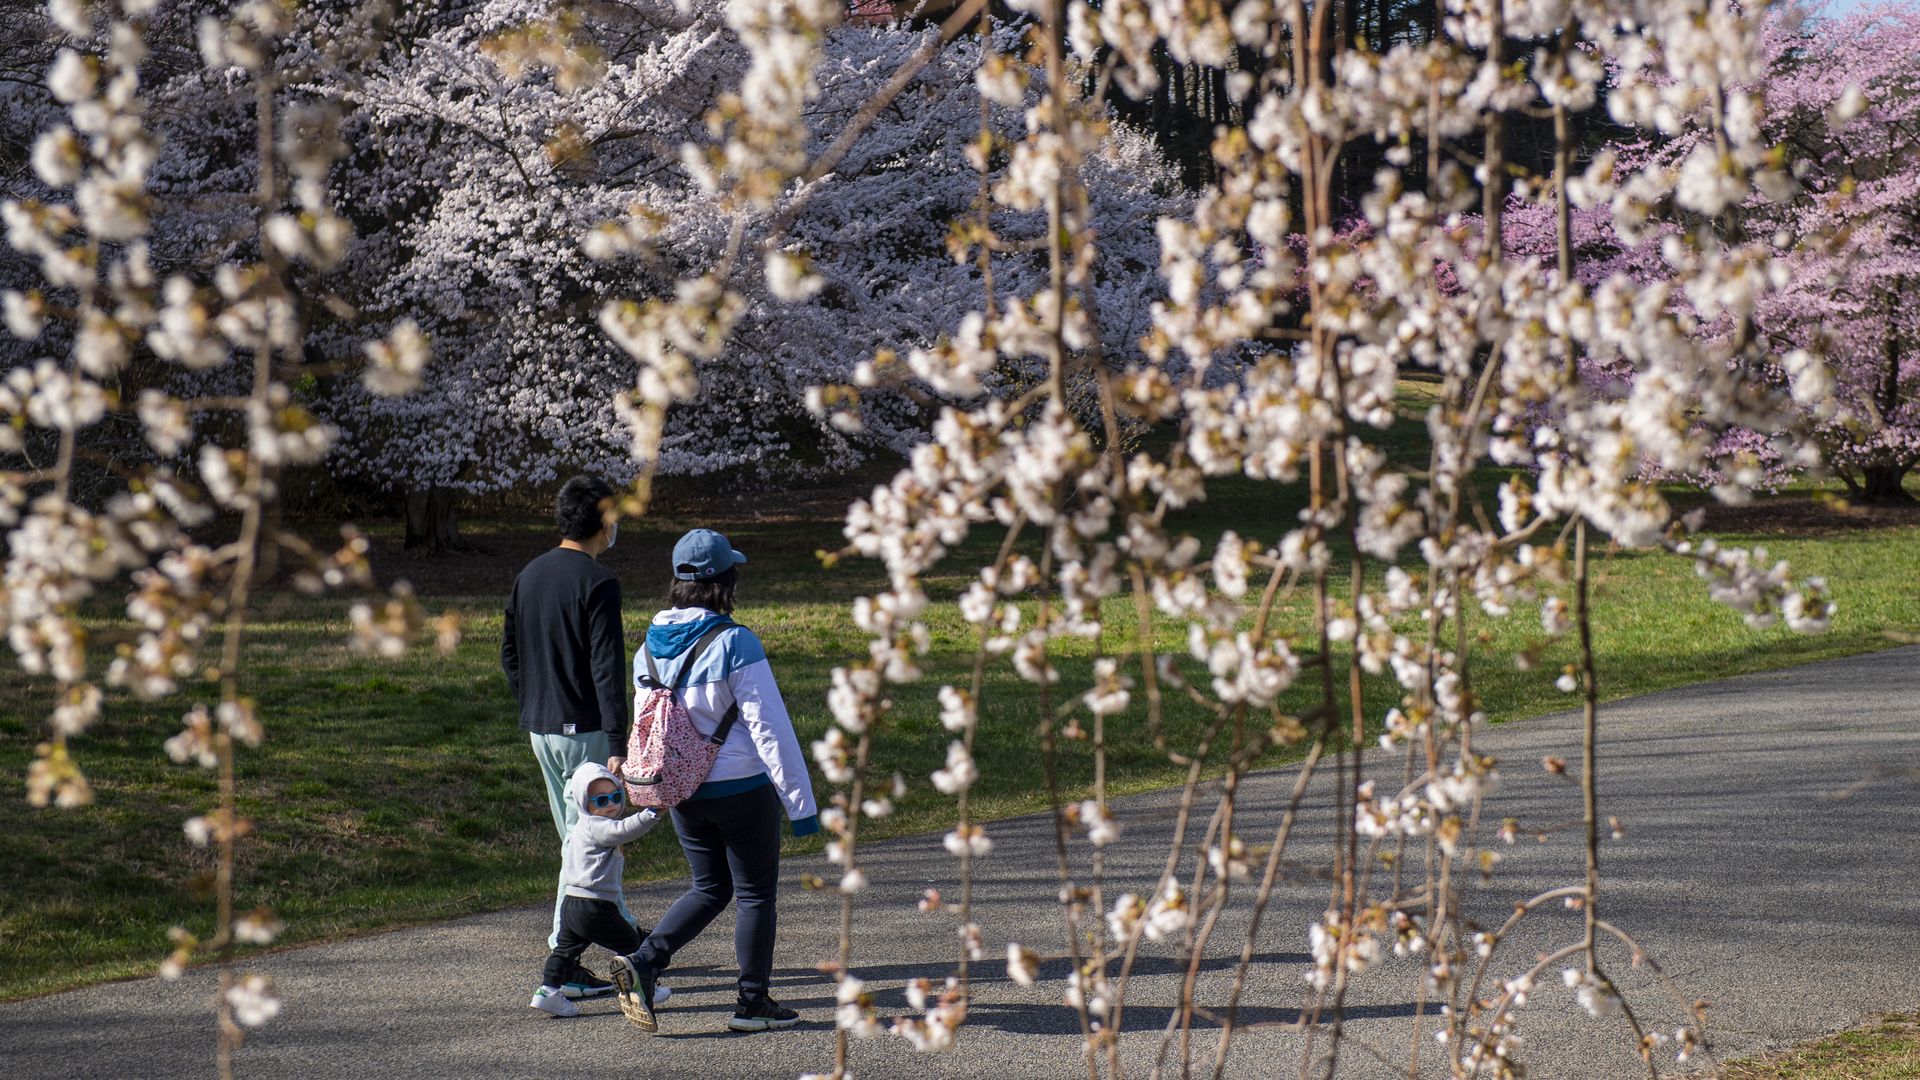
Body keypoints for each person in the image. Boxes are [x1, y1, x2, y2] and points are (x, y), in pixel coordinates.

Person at [610, 528, 820, 1035]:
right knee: (754, 895)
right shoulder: (735, 642)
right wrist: (801, 807)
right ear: (724, 580)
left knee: (709, 886)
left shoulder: (648, 647)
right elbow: (770, 729)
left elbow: (646, 721)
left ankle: (645, 959)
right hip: (741, 788)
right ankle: (752, 1003)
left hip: (681, 788)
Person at [502, 475, 636, 1000]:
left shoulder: (529, 574)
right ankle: (564, 963)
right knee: (594, 849)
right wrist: (618, 741)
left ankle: (622, 940)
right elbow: (607, 667)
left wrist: (532, 700)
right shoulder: (598, 582)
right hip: (587, 733)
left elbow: (509, 654)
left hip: (542, 728)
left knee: (577, 844)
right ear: (603, 520)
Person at [528, 764, 675, 1018]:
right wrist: (652, 813)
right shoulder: (597, 826)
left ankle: (548, 991)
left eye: (616, 797)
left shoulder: (579, 830)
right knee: (631, 945)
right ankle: (639, 989)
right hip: (594, 905)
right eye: (601, 800)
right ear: (584, 803)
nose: (611, 805)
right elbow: (624, 830)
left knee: (566, 950)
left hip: (573, 903)